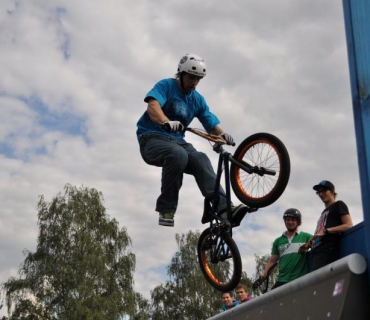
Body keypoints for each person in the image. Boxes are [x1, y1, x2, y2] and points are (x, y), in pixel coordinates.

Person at [136, 53, 247, 227]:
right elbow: (153, 106)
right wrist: (165, 121)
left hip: (178, 142)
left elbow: (209, 120)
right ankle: (167, 209)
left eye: (198, 79)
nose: (194, 82)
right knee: (178, 154)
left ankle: (224, 209)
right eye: (191, 77)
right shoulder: (166, 86)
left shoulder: (197, 99)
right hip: (151, 138)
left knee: (201, 158)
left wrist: (222, 134)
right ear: (181, 74)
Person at [261, 208, 312, 289]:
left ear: (298, 222)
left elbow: (318, 243)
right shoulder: (278, 241)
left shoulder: (306, 236)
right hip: (282, 279)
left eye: (293, 220)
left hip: (300, 278)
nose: (290, 222)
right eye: (287, 220)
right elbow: (272, 261)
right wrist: (264, 275)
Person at [309, 180, 353, 271]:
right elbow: (320, 232)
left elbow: (349, 225)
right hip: (316, 252)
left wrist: (327, 231)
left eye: (324, 191)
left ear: (332, 192)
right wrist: (311, 240)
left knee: (321, 283)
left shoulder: (339, 205)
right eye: (319, 192)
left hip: (327, 251)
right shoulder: (323, 213)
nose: (321, 194)